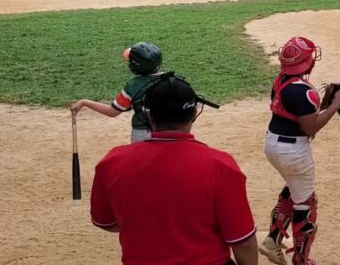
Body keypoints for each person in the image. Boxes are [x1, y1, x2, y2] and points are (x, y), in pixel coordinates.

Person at [90, 73, 259, 265]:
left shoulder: (112, 162)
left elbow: (104, 221)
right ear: (194, 114)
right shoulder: (221, 165)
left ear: (148, 114)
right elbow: (243, 242)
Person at [259, 37, 340, 265]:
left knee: (292, 189)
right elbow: (311, 128)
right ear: (307, 62)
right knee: (306, 205)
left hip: (272, 145)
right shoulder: (304, 91)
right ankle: (301, 259)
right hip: (293, 152)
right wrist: (335, 106)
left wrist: (322, 107)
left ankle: (273, 240)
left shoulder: (280, 80)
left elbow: (295, 114)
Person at [69, 42, 163, 143]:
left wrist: (84, 102)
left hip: (142, 135)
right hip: (170, 134)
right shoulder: (172, 80)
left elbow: (112, 112)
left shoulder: (134, 85)